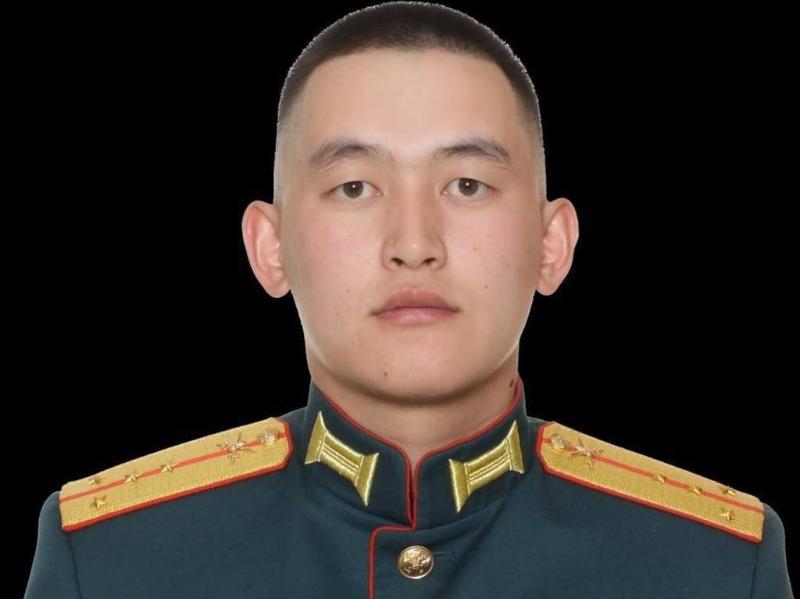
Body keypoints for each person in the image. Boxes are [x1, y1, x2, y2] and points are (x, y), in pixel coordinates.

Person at [24, 3, 793, 598]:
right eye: (355, 187)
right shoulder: (113, 556)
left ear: (551, 242)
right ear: (271, 246)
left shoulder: (712, 565)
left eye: (468, 184)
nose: (415, 242)